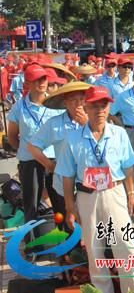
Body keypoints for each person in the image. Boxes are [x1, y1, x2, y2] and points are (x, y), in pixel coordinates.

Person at [56, 86, 134, 293]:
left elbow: (129, 167)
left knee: (126, 246)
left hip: (115, 193)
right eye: (94, 105)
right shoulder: (73, 139)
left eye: (104, 105)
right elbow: (67, 175)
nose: (100, 110)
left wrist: (131, 195)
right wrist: (69, 206)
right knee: (95, 250)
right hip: (87, 196)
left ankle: (131, 290)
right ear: (86, 106)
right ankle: (104, 291)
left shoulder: (119, 134)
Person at [28, 82, 90, 228]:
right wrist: (49, 164)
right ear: (65, 103)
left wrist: (86, 125)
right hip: (63, 184)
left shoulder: (94, 120)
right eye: (73, 100)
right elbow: (33, 146)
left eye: (81, 99)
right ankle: (70, 249)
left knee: (90, 223)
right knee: (66, 224)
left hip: (89, 182)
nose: (78, 104)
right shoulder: (54, 123)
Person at [7, 65, 62, 227]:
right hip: (30, 161)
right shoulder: (19, 107)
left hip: (53, 161)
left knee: (60, 203)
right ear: (27, 84)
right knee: (31, 205)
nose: (41, 82)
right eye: (36, 79)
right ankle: (33, 244)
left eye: (44, 78)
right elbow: (12, 136)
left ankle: (65, 243)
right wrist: (25, 151)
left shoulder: (55, 104)